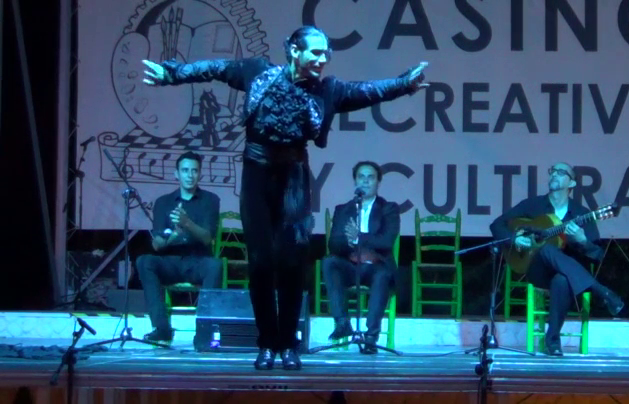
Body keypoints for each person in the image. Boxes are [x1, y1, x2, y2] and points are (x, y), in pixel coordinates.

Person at [142, 26, 429, 370]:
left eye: (326, 54)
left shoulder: (327, 90)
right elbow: (214, 68)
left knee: (293, 264)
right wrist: (172, 74)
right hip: (257, 175)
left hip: (294, 178)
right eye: (315, 53)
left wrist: (404, 84)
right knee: (261, 264)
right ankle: (267, 343)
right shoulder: (258, 73)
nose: (322, 60)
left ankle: (289, 344)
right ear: (294, 50)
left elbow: (368, 91)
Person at [489, 162, 624, 356]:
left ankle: (552, 341)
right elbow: (496, 225)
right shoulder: (533, 205)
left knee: (561, 279)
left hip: (569, 277)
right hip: (536, 270)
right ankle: (602, 292)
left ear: (572, 183)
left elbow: (597, 255)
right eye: (552, 171)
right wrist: (515, 239)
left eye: (561, 172)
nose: (554, 174)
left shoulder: (581, 214)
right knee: (545, 249)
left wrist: (582, 241)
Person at [135, 151, 222, 342]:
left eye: (194, 171)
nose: (190, 175)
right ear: (177, 174)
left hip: (197, 261)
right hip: (171, 261)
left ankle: (204, 331)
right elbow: (158, 245)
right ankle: (161, 328)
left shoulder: (210, 200)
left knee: (215, 265)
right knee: (144, 261)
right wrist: (172, 236)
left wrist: (186, 222)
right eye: (185, 170)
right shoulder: (163, 202)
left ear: (200, 174)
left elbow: (207, 238)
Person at [322, 161, 399, 354]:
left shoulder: (388, 208)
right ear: (355, 181)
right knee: (329, 262)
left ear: (378, 182)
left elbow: (386, 242)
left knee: (382, 275)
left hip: (376, 265)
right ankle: (342, 322)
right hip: (350, 265)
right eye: (361, 177)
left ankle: (371, 337)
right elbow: (334, 243)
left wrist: (359, 236)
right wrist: (349, 242)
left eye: (370, 177)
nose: (365, 181)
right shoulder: (343, 209)